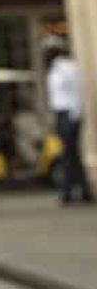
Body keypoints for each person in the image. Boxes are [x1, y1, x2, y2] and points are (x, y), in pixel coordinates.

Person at [44, 36, 94, 205]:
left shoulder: (68, 68)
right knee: (70, 154)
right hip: (60, 114)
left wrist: (75, 116)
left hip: (69, 114)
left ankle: (69, 191)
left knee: (68, 154)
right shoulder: (52, 70)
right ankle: (81, 190)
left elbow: (76, 93)